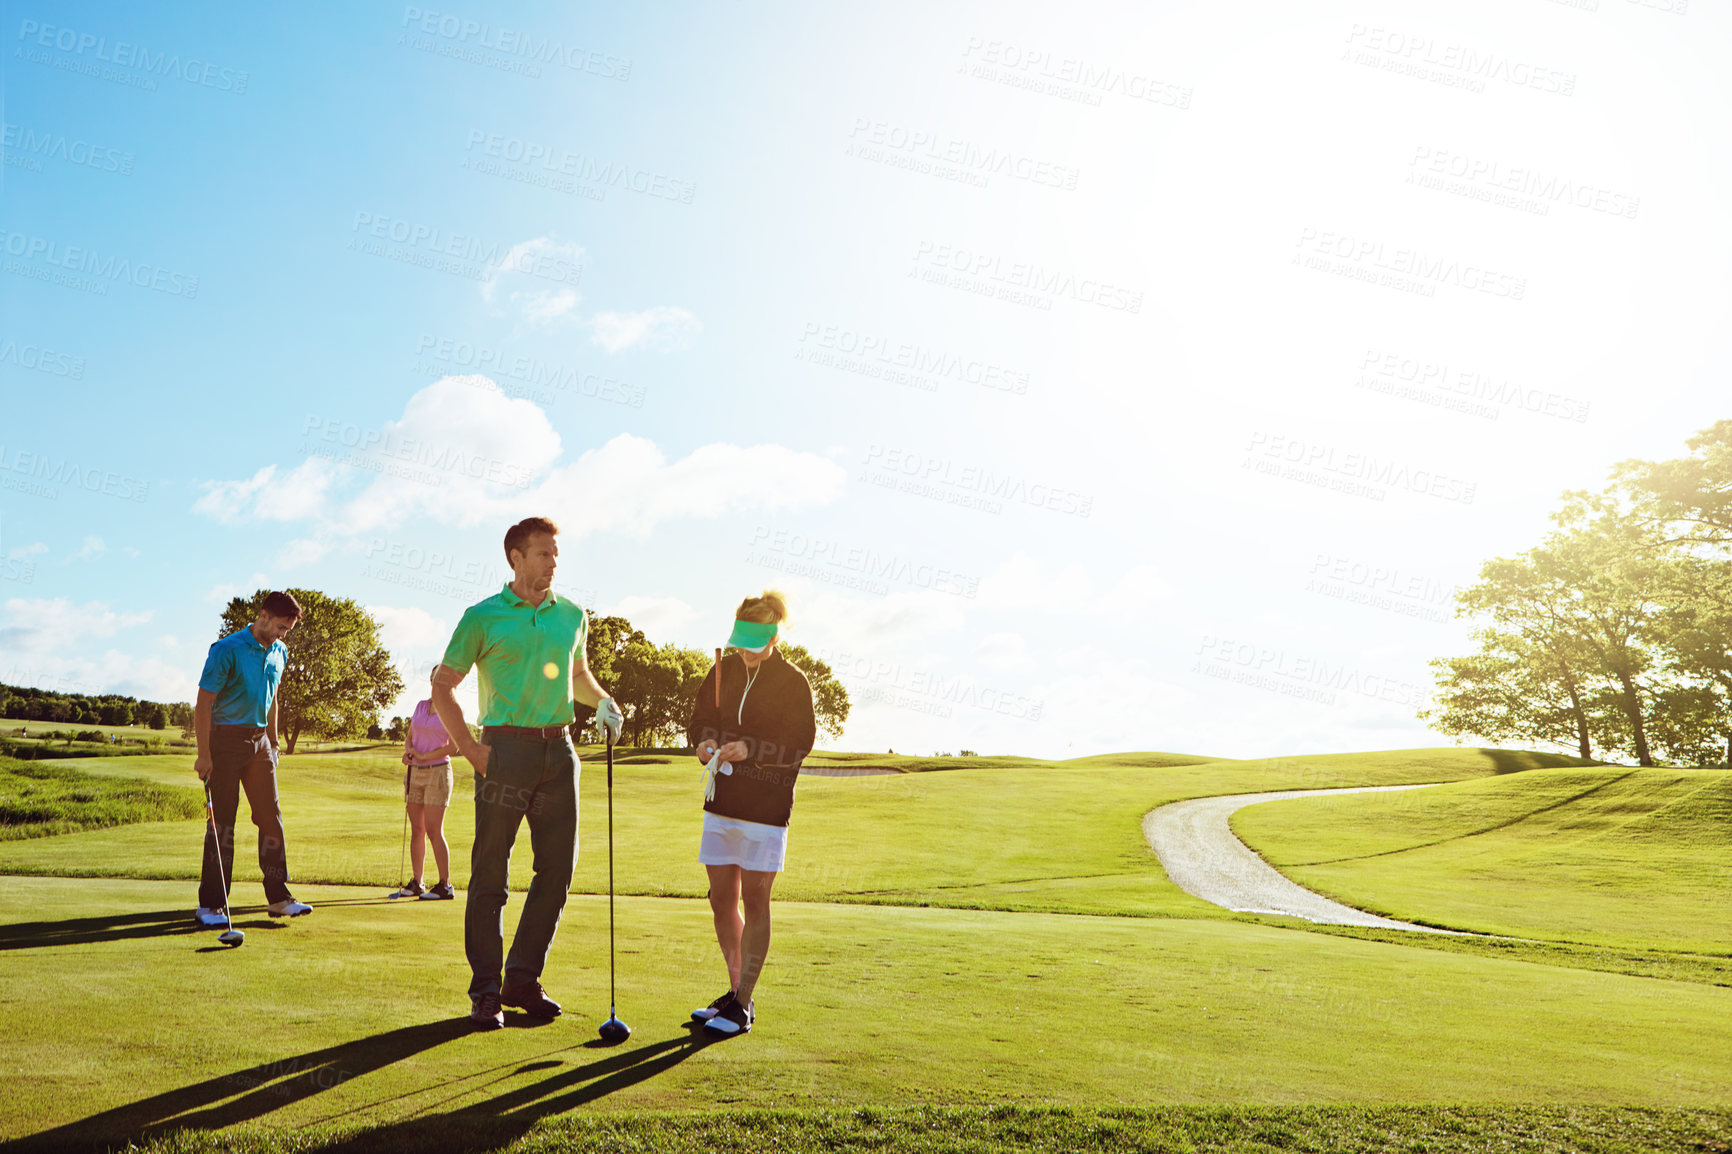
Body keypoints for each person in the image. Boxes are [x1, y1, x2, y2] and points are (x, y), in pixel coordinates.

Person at [430, 516, 624, 1030]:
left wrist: (602, 702)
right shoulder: (482, 617)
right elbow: (443, 686)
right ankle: (486, 992)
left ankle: (522, 979)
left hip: (559, 753)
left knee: (557, 872)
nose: (553, 562)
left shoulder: (572, 616)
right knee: (491, 875)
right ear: (515, 557)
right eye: (543, 553)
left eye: (556, 554)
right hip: (504, 752)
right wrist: (470, 749)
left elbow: (577, 675)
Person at [686, 591, 817, 1036]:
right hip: (721, 801)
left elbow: (801, 742)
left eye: (752, 639)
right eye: (739, 638)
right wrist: (703, 743)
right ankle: (735, 990)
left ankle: (742, 1004)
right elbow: (700, 718)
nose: (743, 648)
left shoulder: (793, 681)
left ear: (773, 634)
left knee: (755, 900)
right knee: (721, 900)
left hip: (766, 807)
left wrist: (752, 750)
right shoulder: (721, 670)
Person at [192, 590, 313, 925]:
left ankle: (278, 896)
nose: (281, 634)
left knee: (271, 818)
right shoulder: (226, 650)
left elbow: (272, 699)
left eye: (286, 630)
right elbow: (204, 703)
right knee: (223, 825)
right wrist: (204, 754)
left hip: (260, 742)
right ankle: (211, 905)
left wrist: (273, 744)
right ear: (262, 616)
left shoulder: (280, 652)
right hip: (225, 741)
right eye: (278, 626)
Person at [395, 698, 458, 899]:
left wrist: (424, 757)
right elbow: (410, 736)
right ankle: (417, 882)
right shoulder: (421, 706)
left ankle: (445, 885)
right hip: (415, 772)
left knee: (433, 829)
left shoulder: (451, 708)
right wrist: (408, 753)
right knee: (417, 829)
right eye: (433, 679)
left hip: (438, 772)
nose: (436, 683)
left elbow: (454, 747)